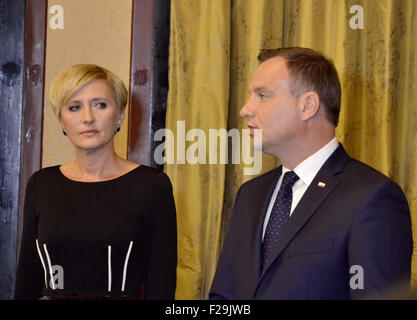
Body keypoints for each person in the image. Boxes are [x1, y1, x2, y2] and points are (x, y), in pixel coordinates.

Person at [209, 47, 413, 300]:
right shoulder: (250, 195)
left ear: (308, 106)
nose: (245, 110)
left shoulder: (372, 198)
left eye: (262, 95)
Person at [15, 64, 177, 300]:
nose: (88, 118)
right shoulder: (42, 184)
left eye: (100, 105)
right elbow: (27, 279)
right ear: (61, 120)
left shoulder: (152, 186)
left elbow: (161, 286)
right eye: (74, 107)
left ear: (119, 115)